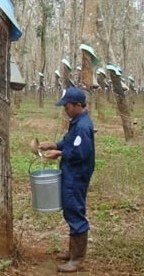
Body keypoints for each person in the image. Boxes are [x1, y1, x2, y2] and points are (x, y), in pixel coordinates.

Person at [38, 87, 95, 273]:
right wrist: (54, 144)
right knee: (70, 210)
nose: (65, 109)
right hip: (71, 173)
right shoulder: (76, 122)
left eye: (68, 106)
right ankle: (73, 251)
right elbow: (69, 142)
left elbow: (80, 152)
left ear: (78, 105)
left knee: (74, 210)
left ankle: (77, 259)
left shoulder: (83, 126)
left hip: (77, 175)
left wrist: (60, 153)